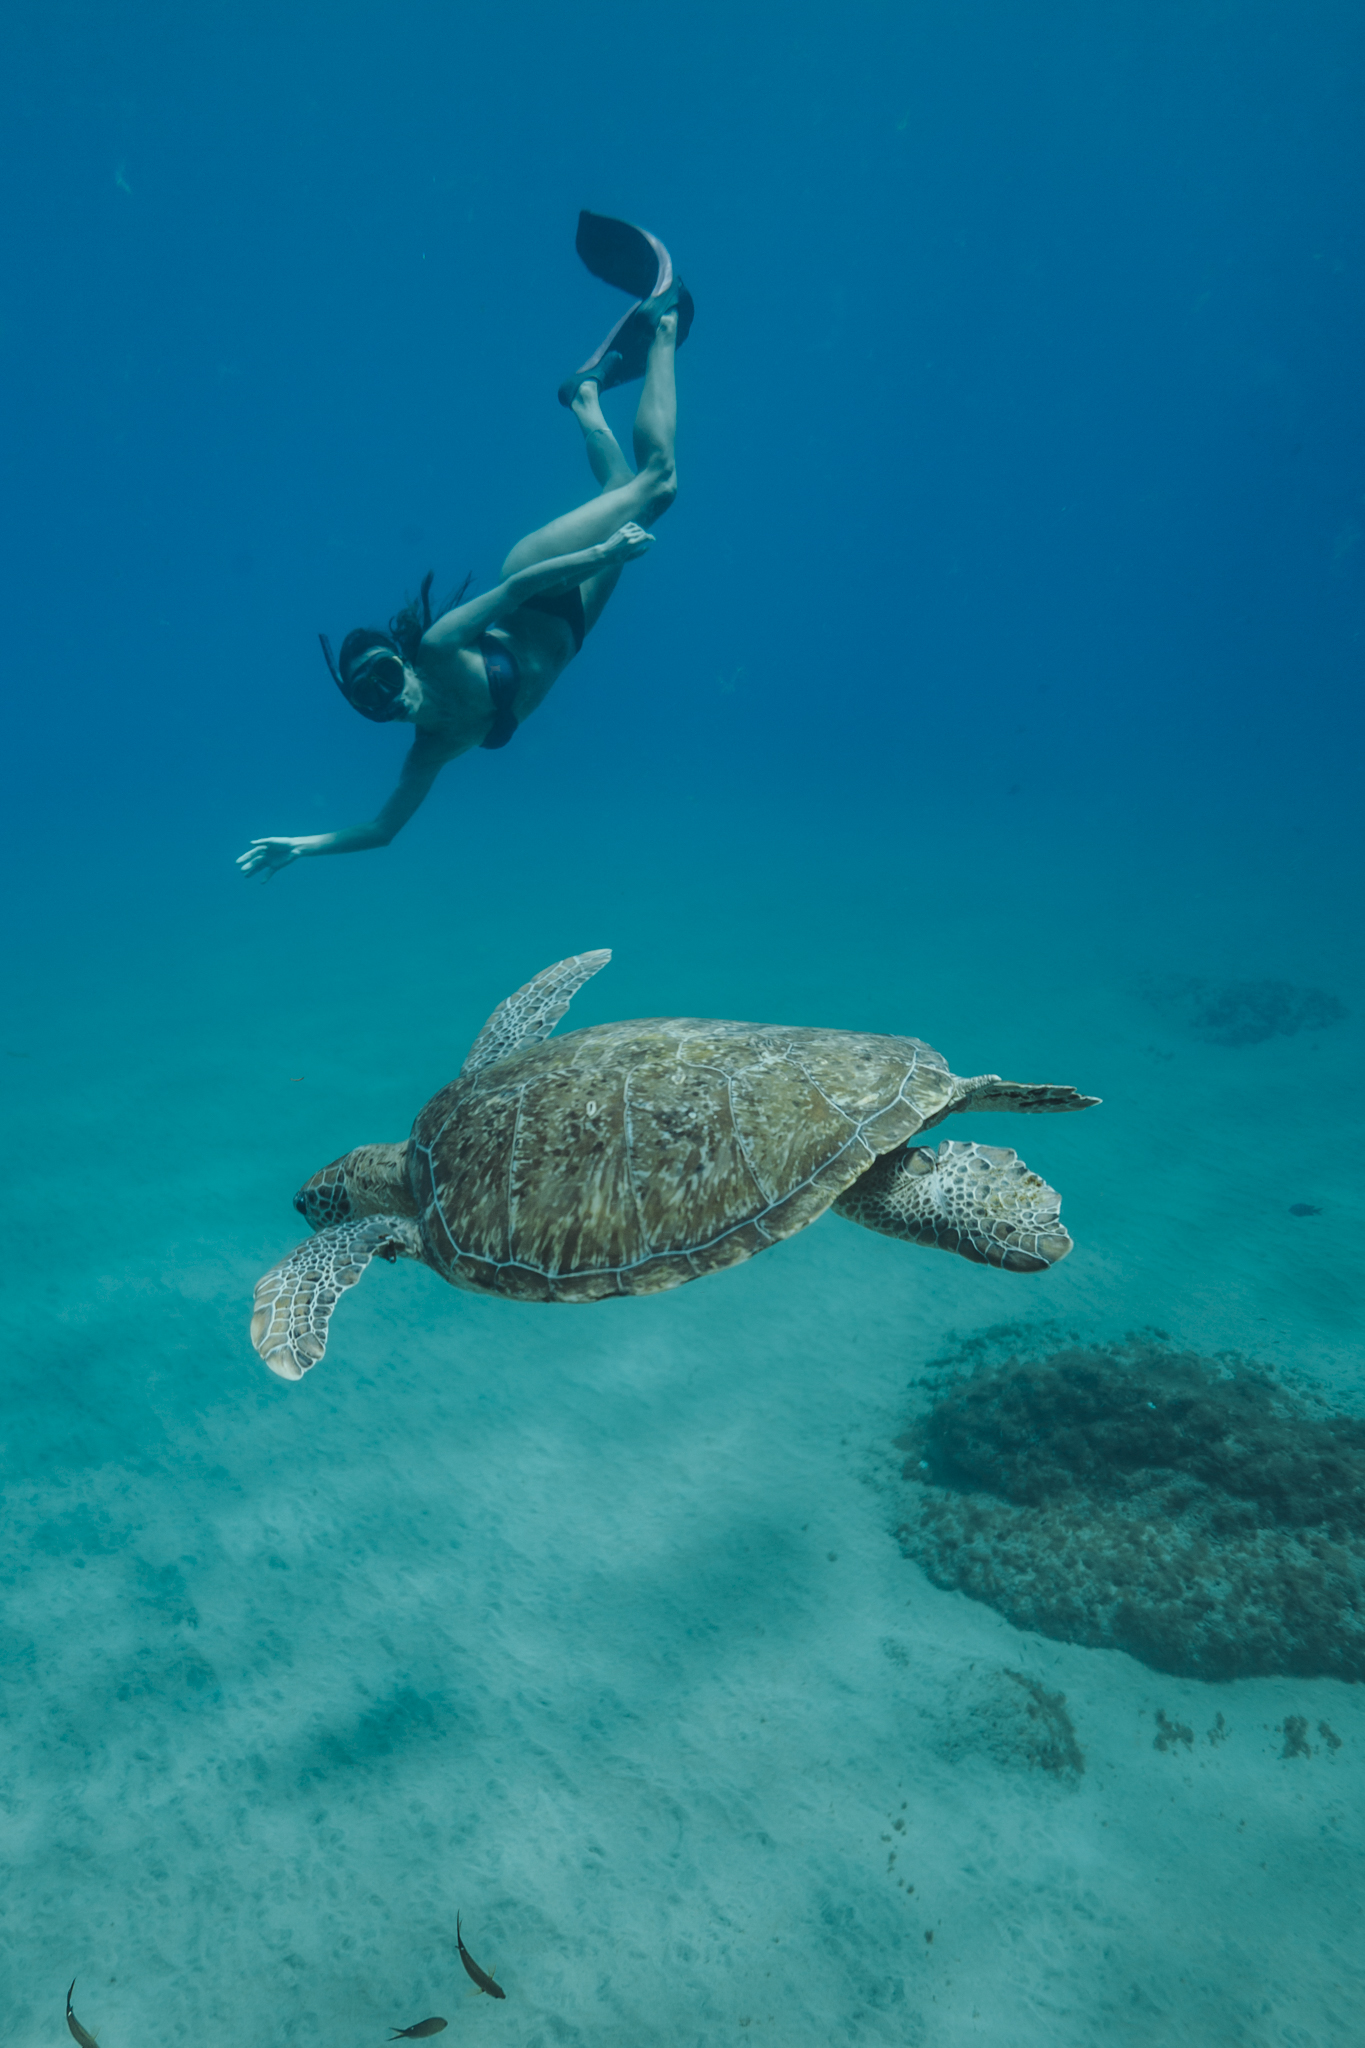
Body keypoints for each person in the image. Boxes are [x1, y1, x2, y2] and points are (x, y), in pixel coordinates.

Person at [237, 213, 692, 881]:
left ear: (401, 660)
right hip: (572, 627)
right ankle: (585, 398)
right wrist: (299, 846)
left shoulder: (439, 647)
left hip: (539, 579)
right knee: (622, 484)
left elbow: (512, 592)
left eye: (385, 679)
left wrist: (604, 557)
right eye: (371, 701)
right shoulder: (431, 747)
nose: (389, 700)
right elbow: (383, 829)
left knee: (656, 486)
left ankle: (663, 321)